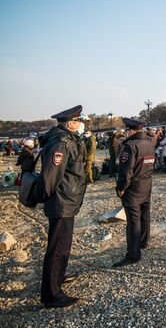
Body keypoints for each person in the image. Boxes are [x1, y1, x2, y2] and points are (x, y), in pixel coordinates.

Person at [34, 105, 88, 308]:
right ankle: (51, 294)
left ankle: (58, 277)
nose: (81, 124)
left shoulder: (67, 139)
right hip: (61, 201)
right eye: (79, 120)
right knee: (58, 248)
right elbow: (51, 176)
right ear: (71, 122)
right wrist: (42, 197)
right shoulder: (61, 142)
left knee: (62, 245)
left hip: (66, 200)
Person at [113, 118, 155, 268]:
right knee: (145, 215)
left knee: (133, 221)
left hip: (133, 188)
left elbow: (126, 171)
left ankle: (133, 254)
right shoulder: (149, 143)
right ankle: (144, 241)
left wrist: (121, 187)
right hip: (146, 184)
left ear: (130, 130)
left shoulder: (130, 146)